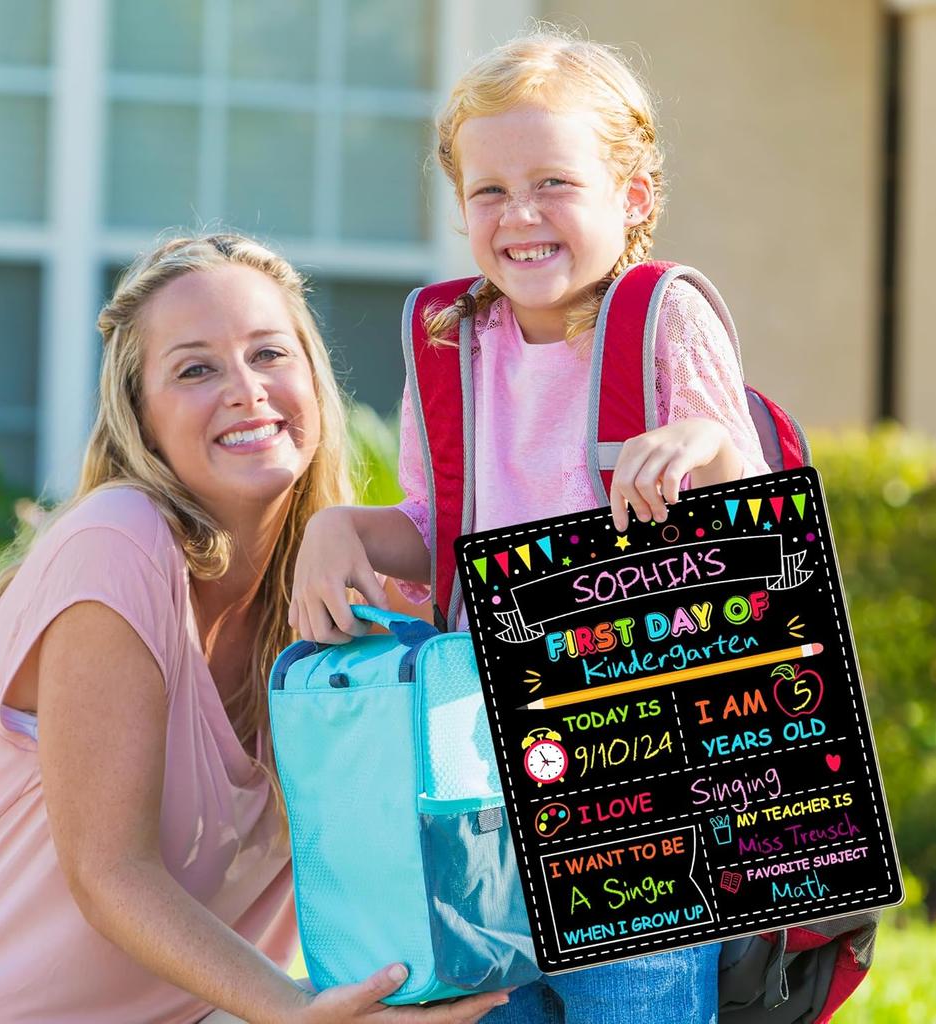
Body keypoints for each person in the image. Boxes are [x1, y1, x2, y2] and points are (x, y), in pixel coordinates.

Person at [289, 29, 772, 1024]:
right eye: (489, 191)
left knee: (634, 1000)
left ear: (632, 196)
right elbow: (443, 524)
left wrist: (698, 447)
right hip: (479, 783)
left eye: (555, 181)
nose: (520, 215)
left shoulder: (660, 318)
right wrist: (352, 528)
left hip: (640, 783)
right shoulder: (448, 338)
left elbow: (756, 518)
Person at [0, 234, 509, 1024]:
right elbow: (110, 873)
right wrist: (298, 1011)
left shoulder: (346, 604)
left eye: (269, 353)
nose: (246, 390)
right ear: (141, 421)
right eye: (195, 368)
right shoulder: (116, 543)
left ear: (314, 379)